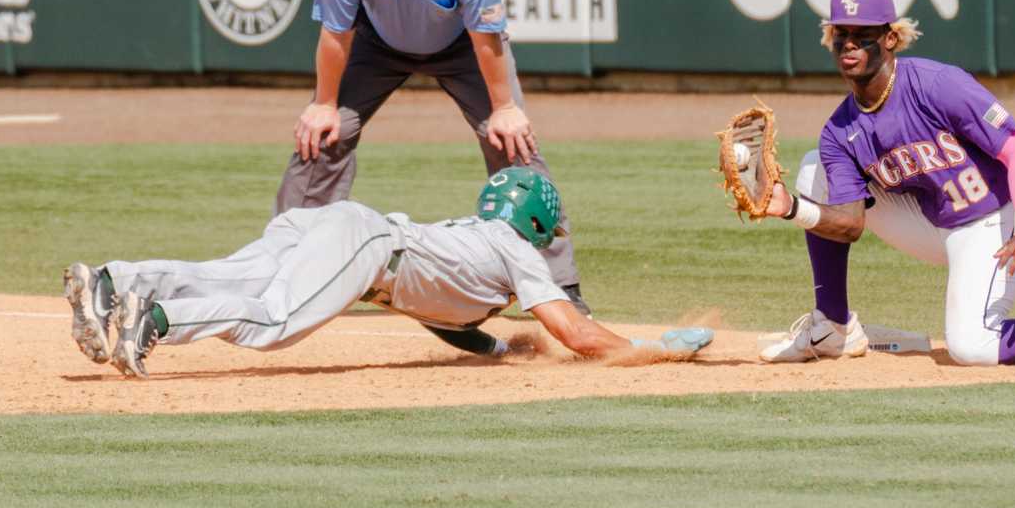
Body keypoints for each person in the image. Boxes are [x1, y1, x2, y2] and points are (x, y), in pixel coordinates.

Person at [751, 0, 1015, 368]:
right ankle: (834, 327)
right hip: (927, 222)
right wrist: (791, 208)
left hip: (990, 225)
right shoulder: (840, 131)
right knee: (813, 168)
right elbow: (850, 222)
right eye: (841, 33)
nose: (850, 44)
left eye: (864, 33)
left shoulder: (938, 85)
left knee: (971, 347)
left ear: (890, 38)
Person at [278, 0, 587, 312]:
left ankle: (560, 287)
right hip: (375, 44)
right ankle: (287, 265)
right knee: (323, 136)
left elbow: (487, 38)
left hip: (463, 46)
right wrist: (324, 103)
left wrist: (503, 110)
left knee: (515, 146)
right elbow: (336, 35)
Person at [67, 169, 708, 379]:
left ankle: (114, 281)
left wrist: (494, 347)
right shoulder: (517, 250)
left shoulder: (475, 244)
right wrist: (648, 350)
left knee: (232, 278)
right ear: (539, 222)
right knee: (272, 322)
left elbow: (443, 316)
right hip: (367, 243)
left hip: (349, 229)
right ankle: (150, 324)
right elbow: (575, 332)